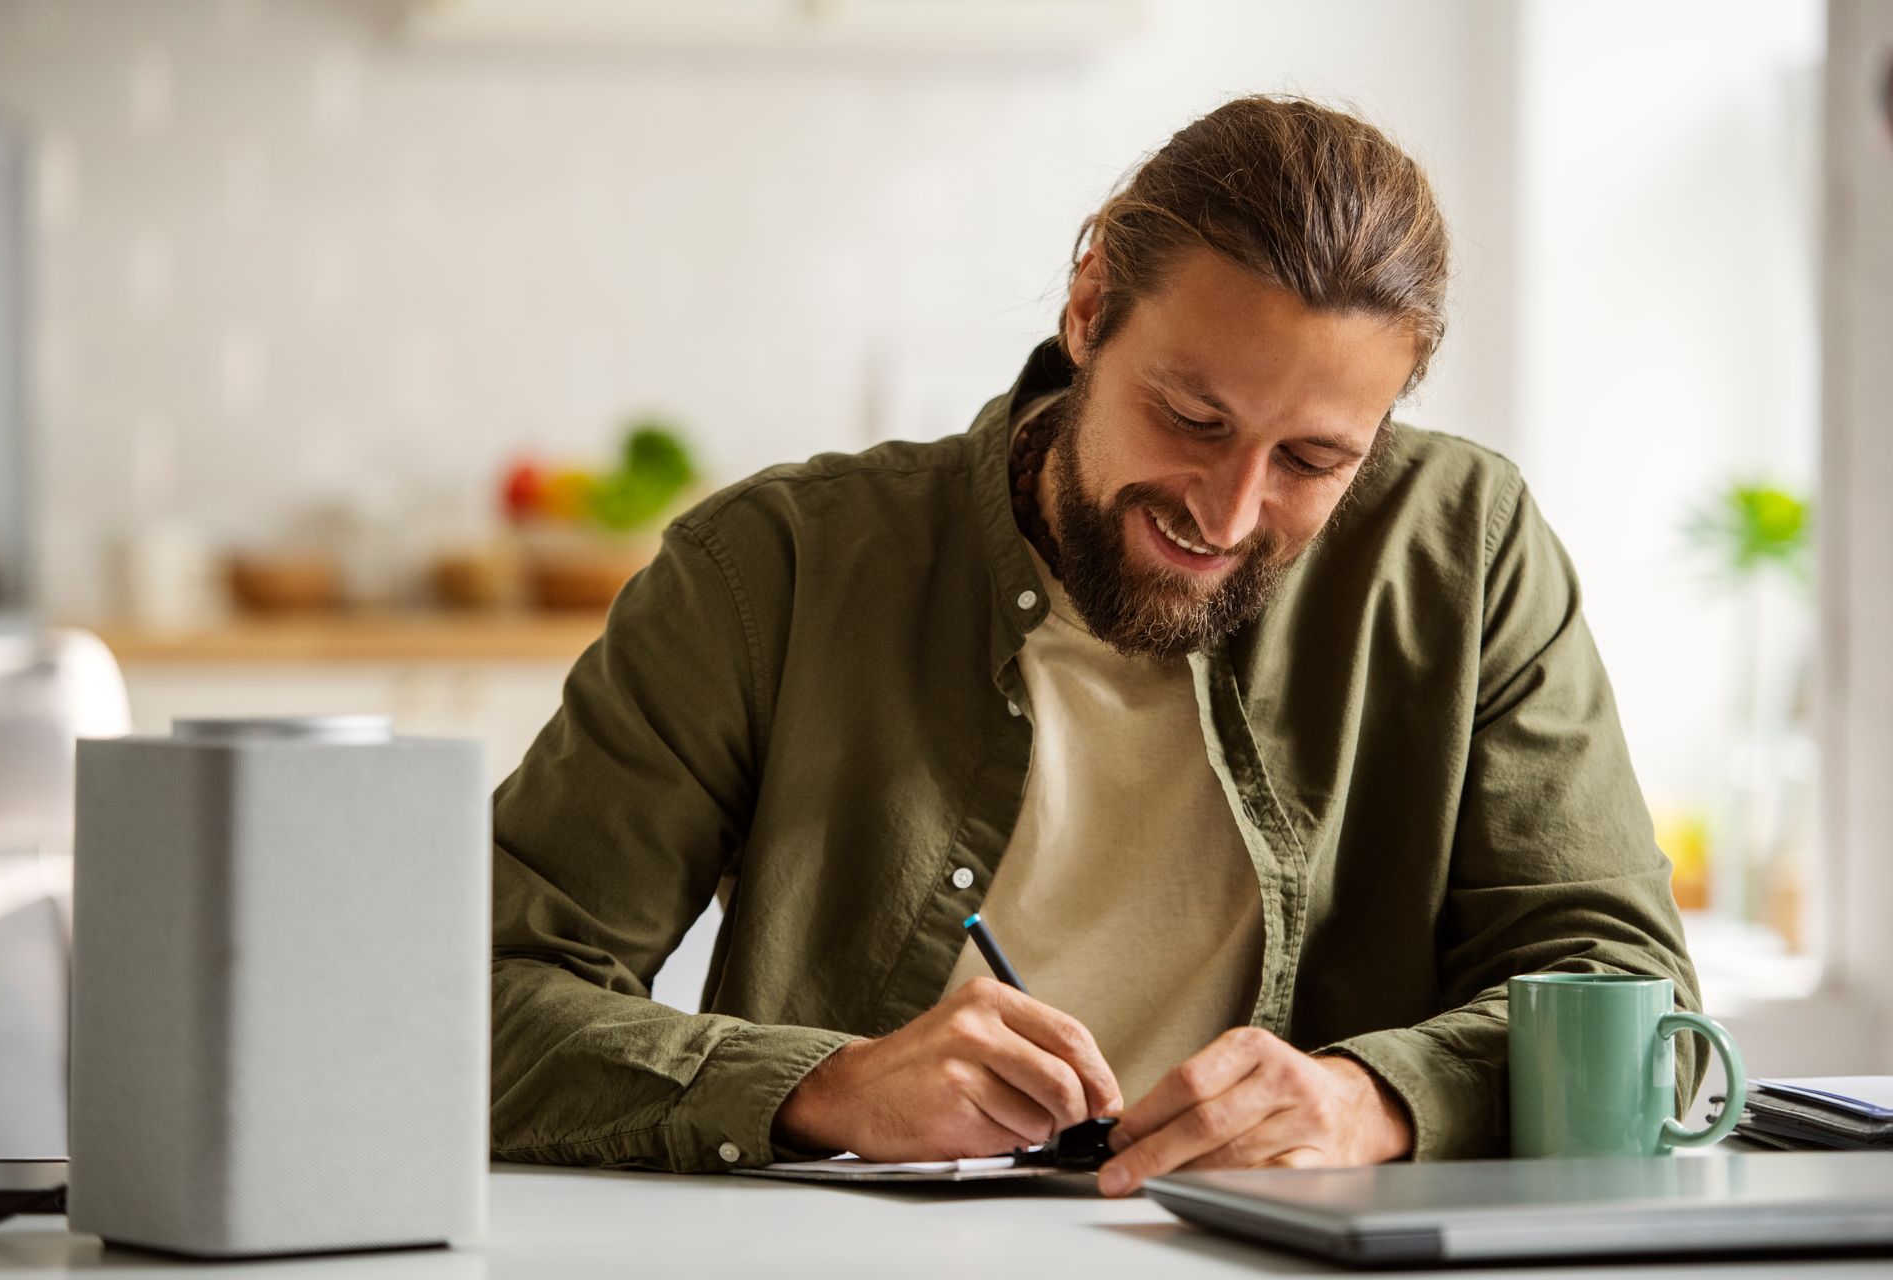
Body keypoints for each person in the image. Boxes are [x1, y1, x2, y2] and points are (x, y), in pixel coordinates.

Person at [489, 95, 1703, 1198]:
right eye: (1190, 417)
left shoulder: (1465, 548)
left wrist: (1375, 1097)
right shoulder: (775, 570)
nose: (1226, 515)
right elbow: (466, 999)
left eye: (1312, 460)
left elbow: (1625, 998)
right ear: (1089, 306)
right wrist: (820, 1086)